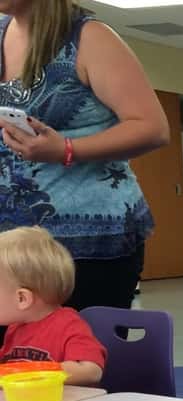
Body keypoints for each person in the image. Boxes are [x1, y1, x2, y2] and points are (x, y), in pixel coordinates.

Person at [0, 0, 169, 313]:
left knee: (78, 357)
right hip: (9, 246)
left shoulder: (90, 38)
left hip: (85, 247)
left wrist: (66, 150)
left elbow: (152, 127)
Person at [0, 226, 105, 385]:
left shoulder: (68, 325)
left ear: (22, 298)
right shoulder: (16, 328)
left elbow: (91, 370)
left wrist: (32, 372)